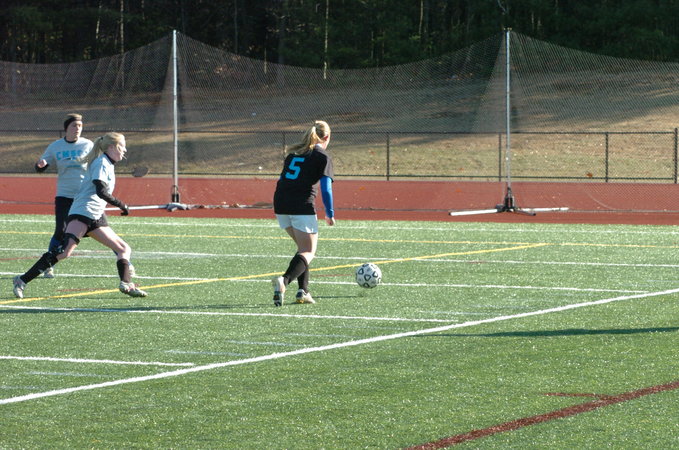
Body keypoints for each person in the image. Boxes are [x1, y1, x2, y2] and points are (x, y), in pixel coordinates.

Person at [13, 132, 147, 299]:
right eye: (122, 146)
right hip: (83, 211)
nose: (125, 150)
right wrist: (121, 204)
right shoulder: (101, 163)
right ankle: (21, 280)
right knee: (64, 252)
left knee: (123, 248)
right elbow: (101, 190)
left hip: (95, 215)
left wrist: (121, 206)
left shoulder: (107, 163)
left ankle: (126, 284)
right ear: (112, 147)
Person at [271, 120, 335, 306]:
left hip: (280, 203)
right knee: (308, 251)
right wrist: (329, 213)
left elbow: (282, 180)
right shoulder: (322, 156)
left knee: (302, 249)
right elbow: (326, 188)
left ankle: (303, 291)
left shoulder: (294, 154)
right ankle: (284, 281)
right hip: (301, 205)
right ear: (326, 137)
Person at [35, 114, 93, 278]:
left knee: (100, 229)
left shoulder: (88, 145)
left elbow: (98, 163)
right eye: (74, 125)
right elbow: (41, 165)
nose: (78, 129)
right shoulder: (56, 146)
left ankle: (123, 258)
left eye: (80, 126)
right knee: (60, 231)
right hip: (64, 196)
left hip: (84, 196)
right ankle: (48, 265)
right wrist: (41, 165)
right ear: (66, 128)